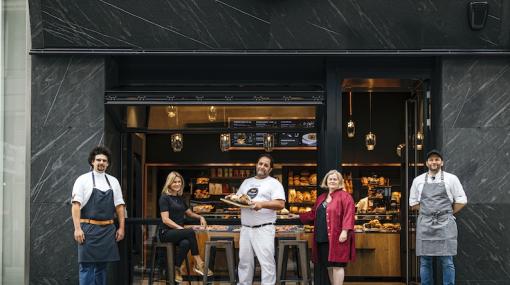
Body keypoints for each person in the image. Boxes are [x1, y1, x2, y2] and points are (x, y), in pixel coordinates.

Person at [409, 149, 467, 285]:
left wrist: (448, 212)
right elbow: (413, 202)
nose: (434, 162)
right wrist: (428, 211)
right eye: (431, 160)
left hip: (445, 223)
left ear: (442, 162)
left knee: (447, 261)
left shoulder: (451, 179)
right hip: (425, 223)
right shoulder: (418, 181)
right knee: (425, 261)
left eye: (436, 159)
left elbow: (462, 199)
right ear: (426, 163)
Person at [71, 146, 126, 285]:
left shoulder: (113, 181)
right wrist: (77, 229)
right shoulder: (82, 180)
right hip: (88, 230)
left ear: (108, 163)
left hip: (107, 230)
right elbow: (76, 205)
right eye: (98, 160)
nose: (101, 162)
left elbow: (120, 207)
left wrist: (121, 228)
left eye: (104, 160)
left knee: (102, 267)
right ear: (92, 162)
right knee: (86, 267)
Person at [291, 170, 355, 285]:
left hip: (338, 237)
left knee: (337, 265)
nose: (332, 181)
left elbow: (349, 214)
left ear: (340, 181)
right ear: (326, 181)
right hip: (322, 236)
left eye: (335, 179)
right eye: (330, 179)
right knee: (329, 266)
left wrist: (345, 231)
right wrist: (297, 216)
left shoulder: (345, 197)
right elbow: (313, 214)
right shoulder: (321, 198)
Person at [236, 154, 285, 285]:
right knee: (244, 262)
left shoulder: (274, 183)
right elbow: (238, 199)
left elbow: (280, 204)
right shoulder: (246, 182)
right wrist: (235, 200)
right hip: (246, 229)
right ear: (256, 165)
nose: (262, 166)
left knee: (267, 264)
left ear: (270, 169)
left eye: (266, 165)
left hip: (264, 229)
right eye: (260, 163)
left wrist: (261, 204)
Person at [158, 171, 213, 282]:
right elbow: (165, 219)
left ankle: (176, 268)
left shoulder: (180, 198)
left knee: (186, 243)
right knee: (190, 232)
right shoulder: (164, 198)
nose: (177, 184)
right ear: (169, 183)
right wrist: (180, 228)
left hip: (178, 233)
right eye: (174, 182)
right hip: (166, 232)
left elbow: (189, 213)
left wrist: (200, 217)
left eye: (179, 182)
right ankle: (199, 263)